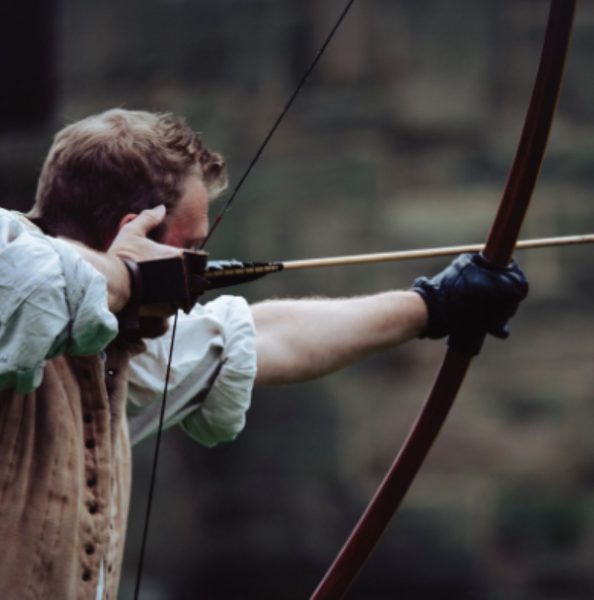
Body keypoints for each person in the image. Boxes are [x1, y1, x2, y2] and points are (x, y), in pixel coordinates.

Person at [0, 108, 528, 599]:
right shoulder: (12, 263)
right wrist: (131, 274)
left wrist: (433, 306)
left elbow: (265, 336)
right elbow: (39, 283)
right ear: (130, 234)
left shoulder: (116, 349)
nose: (193, 276)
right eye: (186, 252)